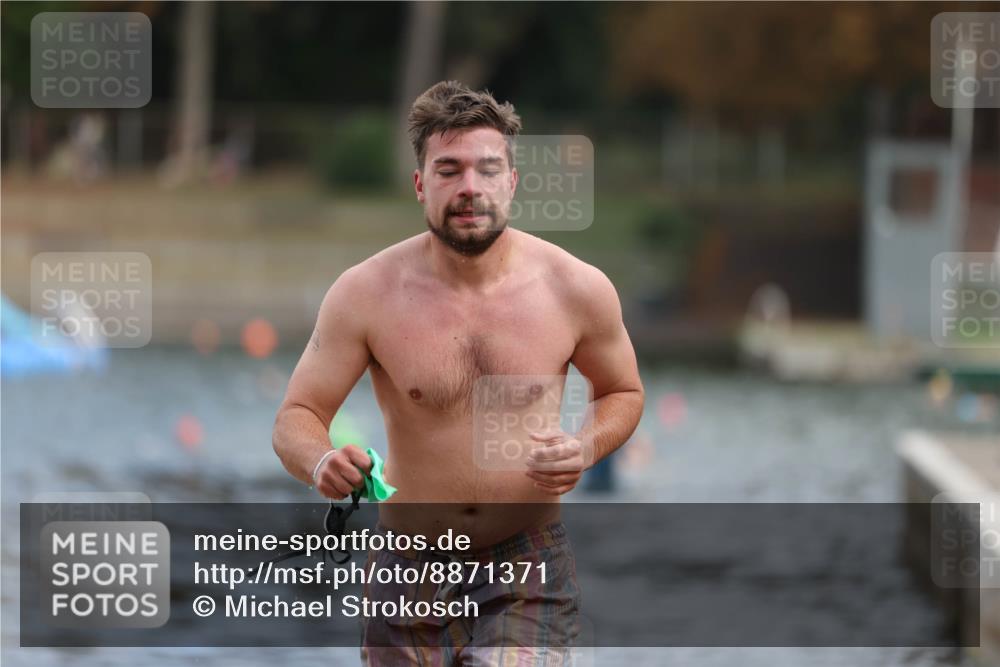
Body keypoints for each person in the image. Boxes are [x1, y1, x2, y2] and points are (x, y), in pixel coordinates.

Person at [272, 81, 644, 665]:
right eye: (449, 170)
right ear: (421, 185)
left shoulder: (576, 288)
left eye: (487, 169)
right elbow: (298, 416)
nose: (470, 187)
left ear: (512, 182)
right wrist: (322, 461)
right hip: (407, 566)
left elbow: (623, 391)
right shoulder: (365, 293)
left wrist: (585, 445)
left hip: (527, 565)